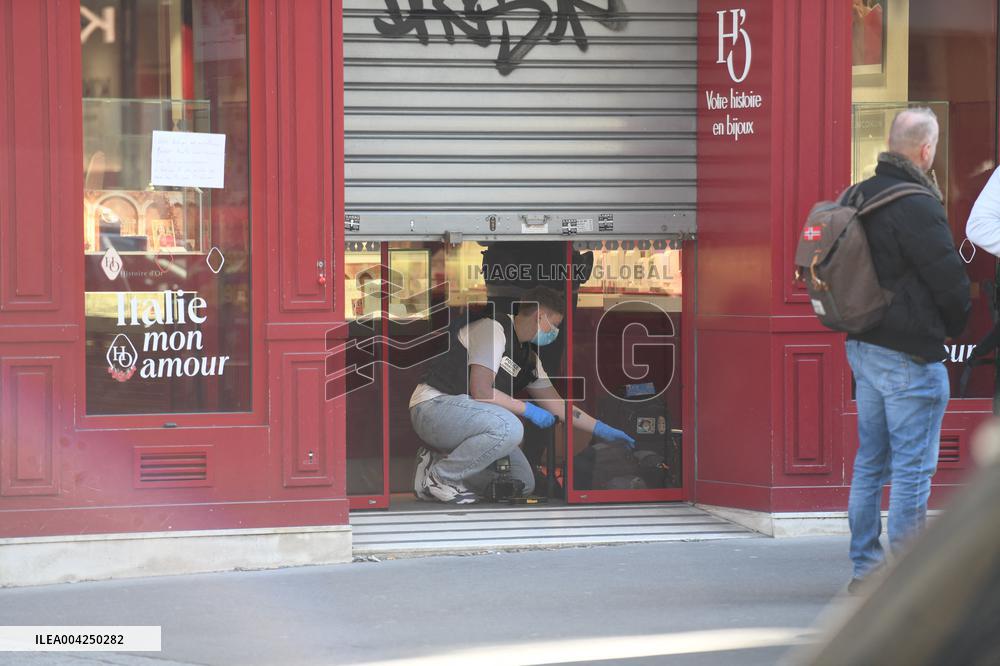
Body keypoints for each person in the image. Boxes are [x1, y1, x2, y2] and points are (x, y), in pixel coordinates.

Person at [844, 107, 971, 593]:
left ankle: (865, 570)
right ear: (925, 150)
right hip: (909, 356)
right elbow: (949, 280)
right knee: (913, 466)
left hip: (864, 348)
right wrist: (954, 327)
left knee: (870, 461)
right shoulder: (916, 202)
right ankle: (908, 582)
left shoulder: (857, 194)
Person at [409, 286, 635, 504]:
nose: (554, 333)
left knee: (521, 482)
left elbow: (559, 407)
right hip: (433, 408)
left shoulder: (529, 358)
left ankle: (435, 465)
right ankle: (441, 477)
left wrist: (602, 429)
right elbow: (481, 390)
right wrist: (529, 410)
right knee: (510, 427)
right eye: (554, 326)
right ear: (539, 315)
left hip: (469, 422)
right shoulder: (494, 329)